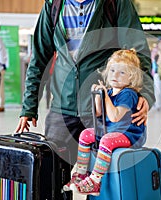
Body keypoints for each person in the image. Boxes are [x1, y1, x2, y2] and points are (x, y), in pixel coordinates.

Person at [15, 0, 154, 199]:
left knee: (105, 183)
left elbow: (138, 50)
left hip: (102, 110)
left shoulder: (115, 3)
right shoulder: (54, 5)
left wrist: (145, 94)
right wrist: (29, 106)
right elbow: (39, 57)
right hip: (62, 109)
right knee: (51, 179)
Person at [64, 49, 146, 195]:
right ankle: (81, 174)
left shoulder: (128, 94)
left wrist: (106, 98)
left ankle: (95, 181)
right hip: (112, 130)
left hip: (129, 134)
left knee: (107, 140)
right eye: (113, 70)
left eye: (122, 73)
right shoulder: (109, 91)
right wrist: (98, 96)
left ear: (131, 77)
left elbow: (115, 117)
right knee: (85, 134)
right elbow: (98, 113)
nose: (115, 75)